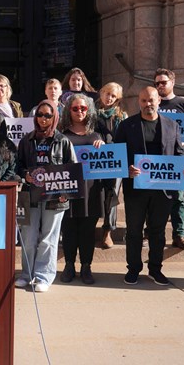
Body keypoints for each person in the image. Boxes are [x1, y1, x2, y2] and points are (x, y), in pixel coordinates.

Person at [114, 86, 184, 286]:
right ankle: (133, 269)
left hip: (163, 189)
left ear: (159, 101)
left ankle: (155, 269)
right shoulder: (127, 125)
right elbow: (117, 155)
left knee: (157, 231)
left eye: (151, 100)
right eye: (143, 100)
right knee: (134, 231)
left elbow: (179, 154)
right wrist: (127, 170)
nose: (147, 104)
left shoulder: (172, 125)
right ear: (139, 102)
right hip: (136, 188)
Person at [16, 99, 76, 292]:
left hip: (55, 197)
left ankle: (44, 276)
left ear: (54, 117)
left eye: (48, 115)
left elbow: (72, 170)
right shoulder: (26, 140)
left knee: (49, 238)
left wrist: (66, 193)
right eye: (40, 115)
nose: (43, 119)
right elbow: (17, 167)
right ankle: (26, 274)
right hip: (29, 195)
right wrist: (25, 175)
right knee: (28, 237)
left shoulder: (63, 141)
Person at [58, 94, 110, 285]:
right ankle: (69, 265)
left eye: (83, 108)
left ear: (89, 110)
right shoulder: (61, 134)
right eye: (75, 108)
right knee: (69, 229)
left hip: (91, 190)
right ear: (68, 111)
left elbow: (109, 159)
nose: (79, 111)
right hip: (68, 189)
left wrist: (103, 148)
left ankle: (86, 266)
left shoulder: (96, 134)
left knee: (88, 231)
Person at [154, 68, 184, 250]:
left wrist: (181, 142)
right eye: (157, 83)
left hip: (177, 157)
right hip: (155, 157)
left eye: (163, 82)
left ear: (172, 82)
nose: (160, 86)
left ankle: (179, 235)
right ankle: (150, 232)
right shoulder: (153, 102)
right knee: (153, 197)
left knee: (178, 198)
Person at [96, 82, 128, 248]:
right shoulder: (91, 114)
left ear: (118, 99)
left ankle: (108, 230)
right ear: (101, 93)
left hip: (115, 160)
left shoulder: (122, 117)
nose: (109, 98)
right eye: (107, 93)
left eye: (113, 96)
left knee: (112, 194)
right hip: (95, 159)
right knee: (96, 192)